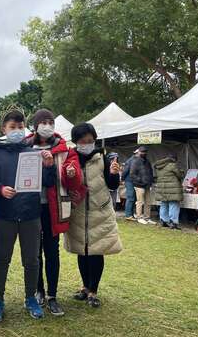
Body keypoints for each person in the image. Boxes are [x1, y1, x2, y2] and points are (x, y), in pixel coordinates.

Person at [0, 107, 56, 322]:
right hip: (5, 215)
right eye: (12, 127)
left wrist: (49, 166)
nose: (17, 130)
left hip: (30, 215)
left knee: (32, 260)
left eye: (21, 127)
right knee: (2, 258)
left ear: (26, 129)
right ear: (3, 129)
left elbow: (48, 182)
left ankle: (30, 298)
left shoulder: (34, 154)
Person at [61, 123, 122, 308]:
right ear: (75, 142)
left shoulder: (102, 158)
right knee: (82, 251)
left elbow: (112, 185)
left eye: (90, 141)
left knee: (96, 252)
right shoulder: (70, 158)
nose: (86, 144)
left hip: (99, 212)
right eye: (82, 141)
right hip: (78, 213)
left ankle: (93, 291)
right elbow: (65, 183)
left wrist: (114, 174)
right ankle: (85, 287)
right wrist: (69, 175)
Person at [25, 108, 69, 316]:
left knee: (52, 251)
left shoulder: (62, 148)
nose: (47, 125)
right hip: (30, 207)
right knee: (34, 252)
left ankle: (52, 295)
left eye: (50, 121)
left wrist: (51, 166)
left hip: (52, 207)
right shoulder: (23, 146)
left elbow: (66, 177)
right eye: (43, 122)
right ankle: (39, 290)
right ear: (35, 125)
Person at [153, 154, 184, 230]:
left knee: (164, 204)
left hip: (162, 189)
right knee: (174, 204)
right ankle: (173, 223)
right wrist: (182, 171)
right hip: (172, 189)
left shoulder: (159, 166)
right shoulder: (172, 165)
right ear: (174, 159)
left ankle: (163, 221)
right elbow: (180, 175)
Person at [130, 146, 155, 224]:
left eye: (145, 152)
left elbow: (151, 172)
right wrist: (140, 181)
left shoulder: (147, 162)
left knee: (148, 202)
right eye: (142, 152)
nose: (144, 153)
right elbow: (132, 174)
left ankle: (147, 218)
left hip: (147, 185)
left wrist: (150, 182)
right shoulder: (135, 161)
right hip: (139, 185)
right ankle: (139, 217)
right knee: (140, 201)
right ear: (139, 152)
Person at [122, 150, 137, 221]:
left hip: (133, 181)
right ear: (136, 153)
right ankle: (128, 215)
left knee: (133, 198)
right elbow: (125, 171)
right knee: (130, 197)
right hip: (129, 181)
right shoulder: (130, 161)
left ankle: (131, 214)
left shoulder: (135, 160)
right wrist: (122, 179)